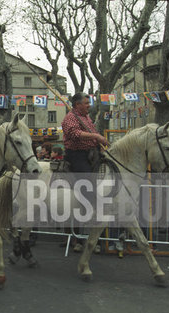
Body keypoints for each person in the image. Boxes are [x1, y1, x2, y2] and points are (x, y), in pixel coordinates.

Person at [61, 92, 109, 253]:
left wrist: (98, 141)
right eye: (86, 103)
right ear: (77, 105)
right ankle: (81, 237)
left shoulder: (87, 118)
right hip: (77, 155)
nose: (89, 105)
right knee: (88, 191)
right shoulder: (70, 118)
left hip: (92, 153)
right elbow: (75, 134)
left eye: (89, 103)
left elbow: (91, 136)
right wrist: (96, 135)